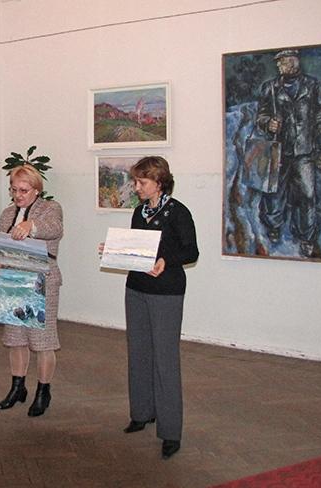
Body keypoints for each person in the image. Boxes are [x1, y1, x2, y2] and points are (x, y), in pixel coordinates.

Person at [123, 156, 198, 460]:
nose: (136, 187)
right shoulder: (139, 212)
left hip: (166, 292)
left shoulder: (178, 212)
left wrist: (167, 260)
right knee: (138, 353)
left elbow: (191, 251)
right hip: (136, 289)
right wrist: (116, 252)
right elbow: (137, 250)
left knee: (165, 360)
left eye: (141, 182)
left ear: (159, 182)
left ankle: (170, 431)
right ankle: (141, 413)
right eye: (136, 181)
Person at [0, 164, 63, 417]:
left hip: (42, 282)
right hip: (14, 281)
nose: (17, 195)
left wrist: (31, 225)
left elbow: (55, 228)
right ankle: (17, 388)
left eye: (23, 190)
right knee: (15, 339)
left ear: (36, 190)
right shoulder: (7, 213)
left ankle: (43, 392)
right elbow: (0, 246)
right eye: (14, 190)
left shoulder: (51, 208)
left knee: (42, 342)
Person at [256, 49, 321, 257]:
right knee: (273, 192)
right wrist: (267, 123)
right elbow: (261, 116)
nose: (278, 67)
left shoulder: (312, 86)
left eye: (281, 63)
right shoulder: (270, 88)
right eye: (278, 63)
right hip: (278, 150)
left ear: (293, 63)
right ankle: (273, 225)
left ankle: (306, 237)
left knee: (307, 196)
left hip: (304, 152)